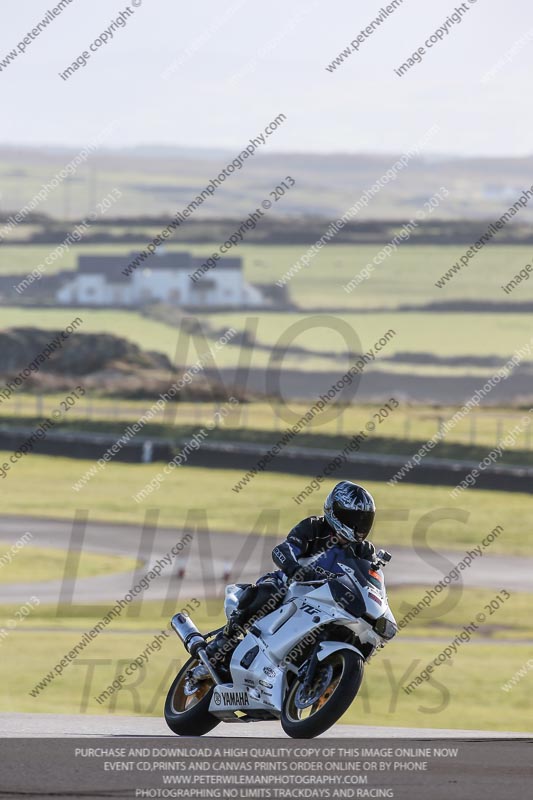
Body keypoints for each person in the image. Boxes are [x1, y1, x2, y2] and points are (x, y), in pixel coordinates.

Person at [205, 481, 377, 668]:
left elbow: (371, 583)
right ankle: (224, 639)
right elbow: (283, 549)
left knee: (359, 631)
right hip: (289, 587)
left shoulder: (364, 551)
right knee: (270, 591)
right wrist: (295, 569)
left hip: (328, 604)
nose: (358, 525)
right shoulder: (314, 527)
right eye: (353, 518)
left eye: (363, 520)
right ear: (335, 510)